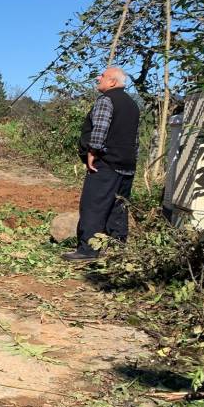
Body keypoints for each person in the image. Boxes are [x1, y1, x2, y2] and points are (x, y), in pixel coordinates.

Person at [63, 66, 140, 261]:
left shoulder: (107, 100)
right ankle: (117, 249)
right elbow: (135, 138)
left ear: (112, 82)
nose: (99, 78)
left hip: (105, 162)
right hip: (127, 164)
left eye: (103, 76)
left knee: (93, 205)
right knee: (119, 206)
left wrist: (92, 153)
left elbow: (100, 128)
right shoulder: (132, 104)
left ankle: (88, 250)